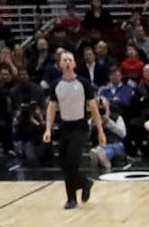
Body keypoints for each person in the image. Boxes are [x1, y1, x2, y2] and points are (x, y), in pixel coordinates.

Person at [43, 50, 106, 210]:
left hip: (80, 127)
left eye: (70, 60)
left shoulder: (84, 83)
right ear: (60, 64)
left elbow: (93, 107)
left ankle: (71, 198)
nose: (68, 63)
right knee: (63, 163)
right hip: (65, 126)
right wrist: (48, 129)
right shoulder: (56, 85)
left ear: (75, 63)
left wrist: (100, 130)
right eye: (65, 60)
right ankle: (85, 182)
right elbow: (51, 107)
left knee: (72, 161)